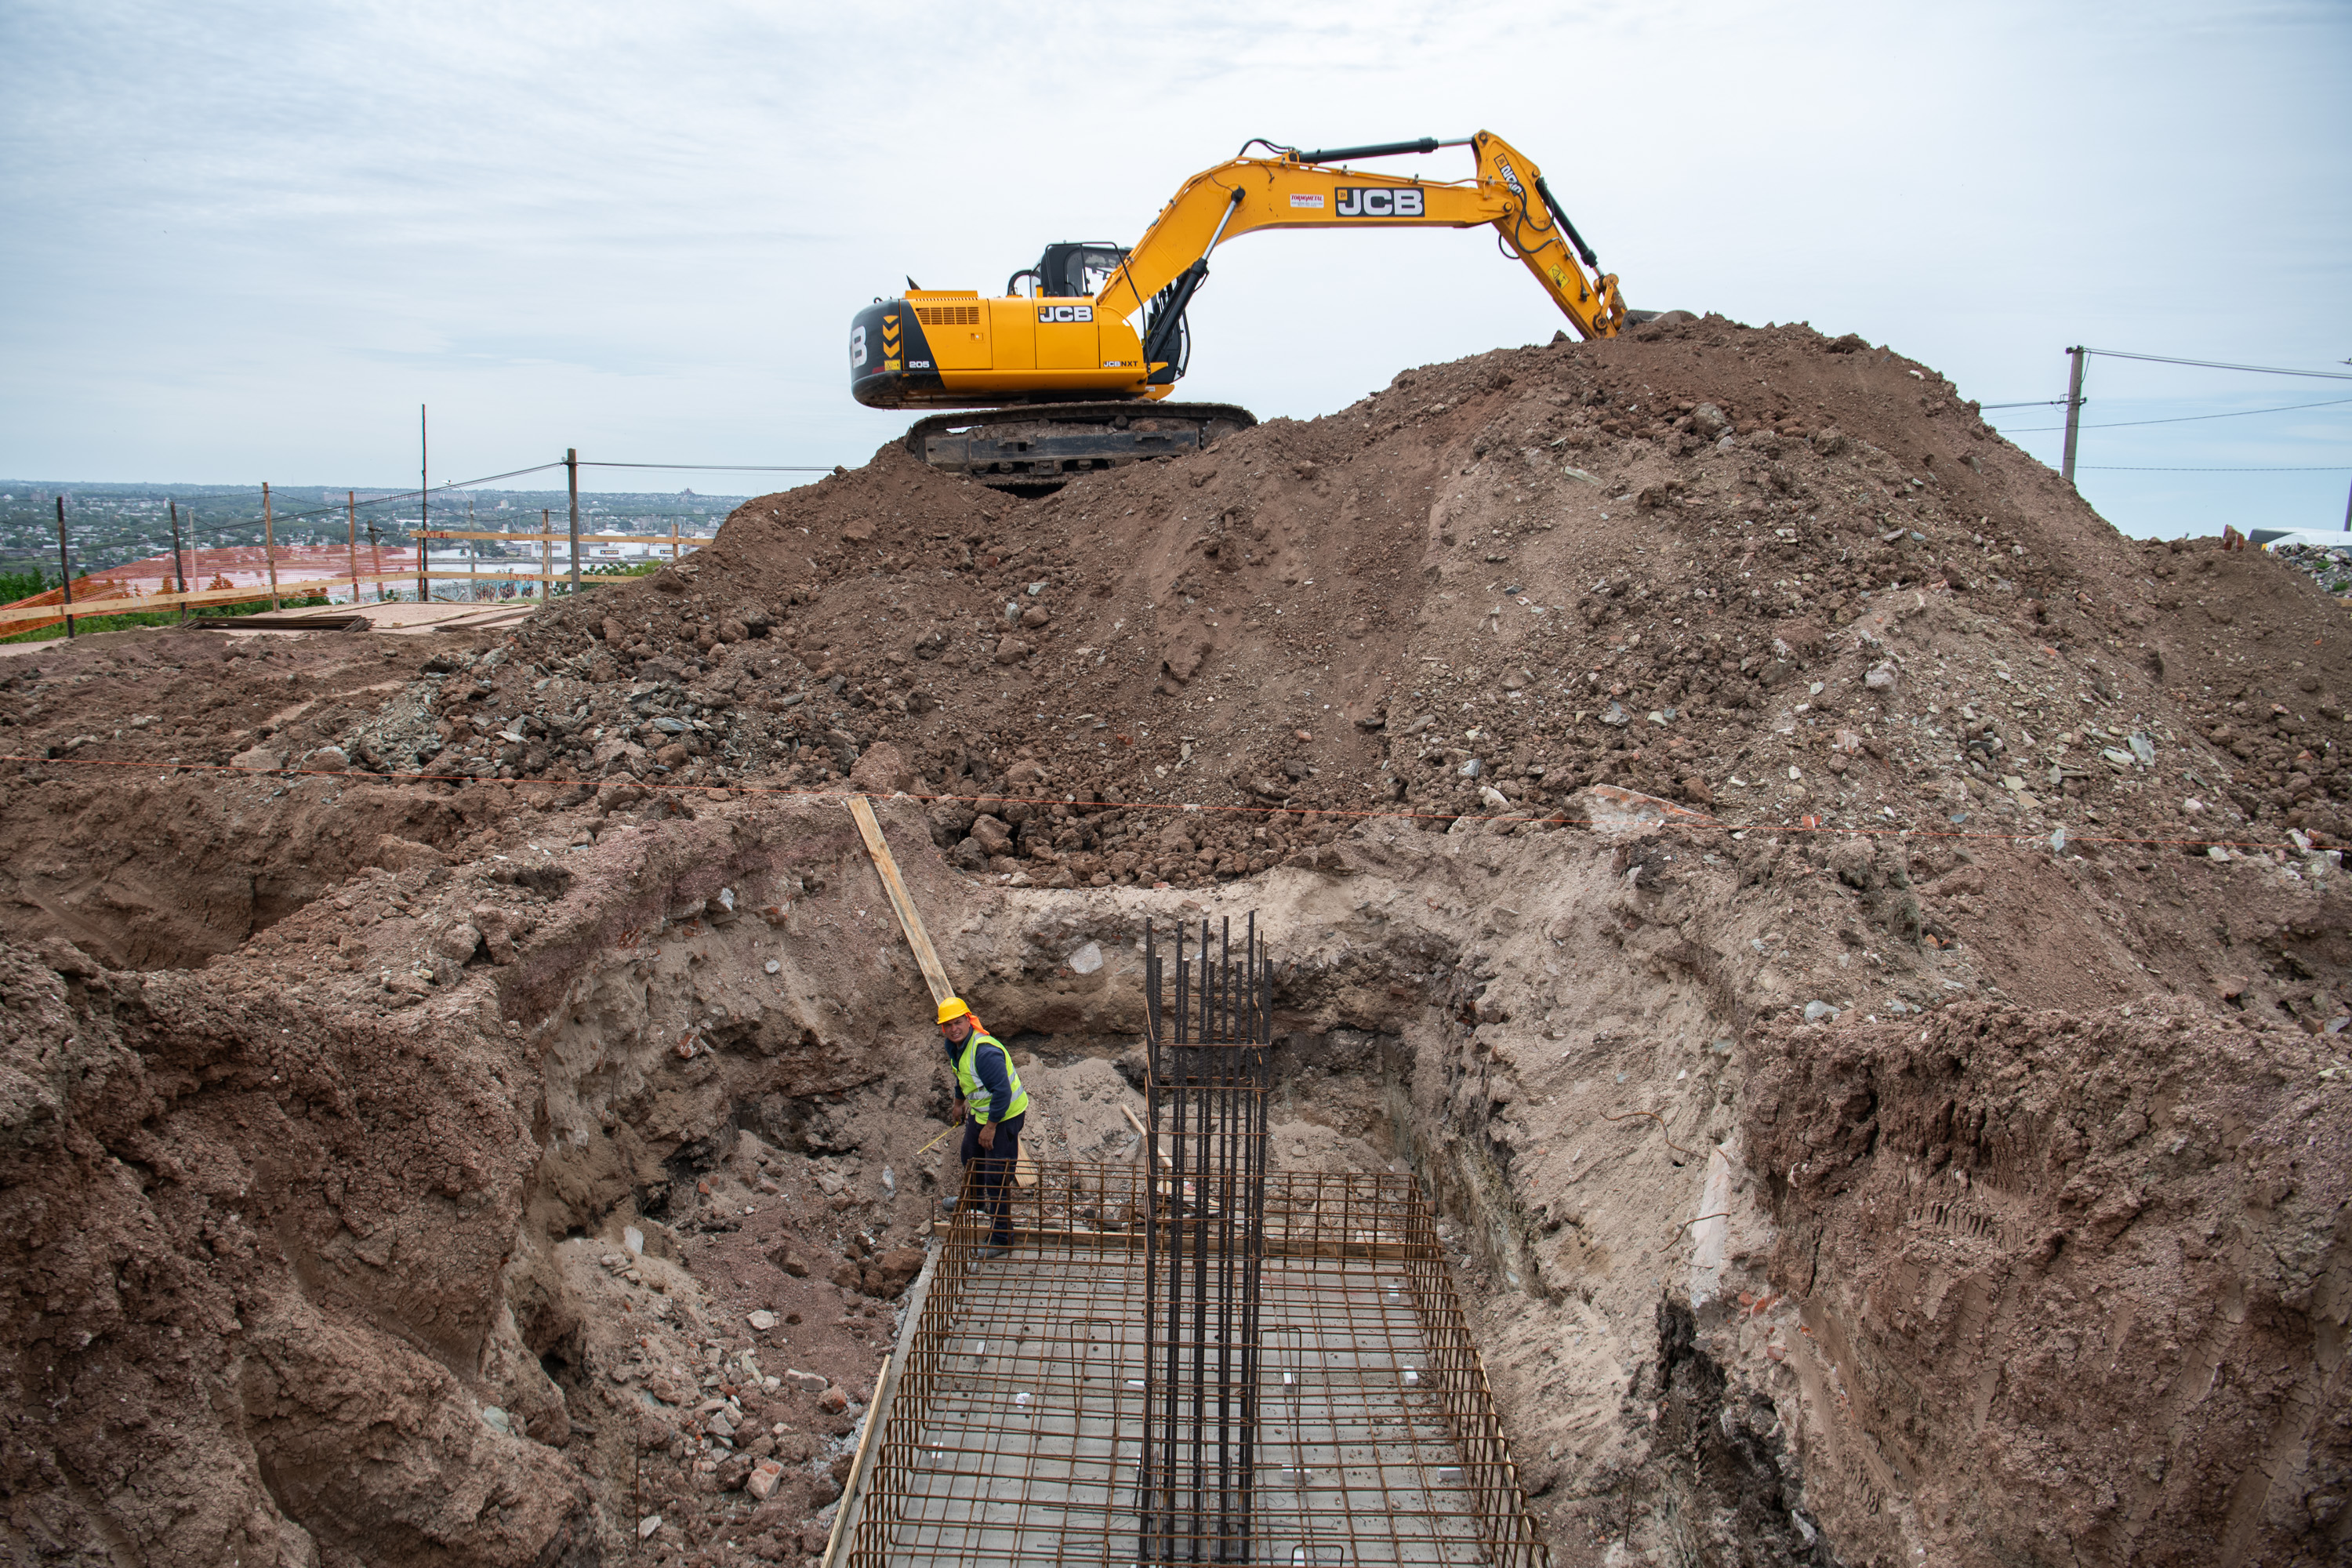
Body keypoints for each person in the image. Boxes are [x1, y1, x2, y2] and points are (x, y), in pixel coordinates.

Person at [937, 996, 1027, 1259]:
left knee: (996, 1176)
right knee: (970, 1155)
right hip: (982, 1113)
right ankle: (975, 1207)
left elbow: (1003, 1093)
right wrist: (957, 1104)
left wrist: (990, 1128)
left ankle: (1002, 1237)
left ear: (969, 1020)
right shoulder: (955, 1046)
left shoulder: (984, 1052)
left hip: (1005, 1115)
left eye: (958, 1022)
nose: (954, 1028)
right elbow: (962, 1077)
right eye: (948, 1025)